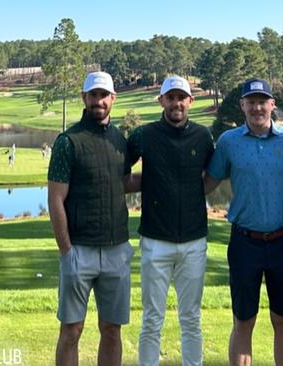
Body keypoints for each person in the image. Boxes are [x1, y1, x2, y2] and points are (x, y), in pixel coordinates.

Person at [204, 78, 283, 366]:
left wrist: (278, 209)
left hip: (282, 242)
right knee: (243, 320)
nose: (257, 107)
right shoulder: (228, 142)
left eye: (263, 101)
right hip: (244, 242)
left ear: (272, 105)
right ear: (242, 106)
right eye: (251, 102)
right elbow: (210, 182)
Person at [47, 71, 135, 366]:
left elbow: (121, 183)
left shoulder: (120, 142)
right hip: (79, 251)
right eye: (93, 95)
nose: (99, 100)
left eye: (104, 95)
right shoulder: (68, 141)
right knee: (72, 330)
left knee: (111, 330)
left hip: (116, 250)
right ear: (84, 98)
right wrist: (65, 250)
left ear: (113, 99)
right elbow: (55, 198)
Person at [127, 75, 214, 366]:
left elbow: (211, 177)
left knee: (191, 317)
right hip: (154, 241)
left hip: (194, 240)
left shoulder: (203, 137)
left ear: (191, 101)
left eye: (182, 97)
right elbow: (121, 175)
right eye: (171, 97)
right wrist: (149, 183)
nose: (176, 103)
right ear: (161, 100)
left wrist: (189, 191)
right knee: (152, 318)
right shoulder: (144, 135)